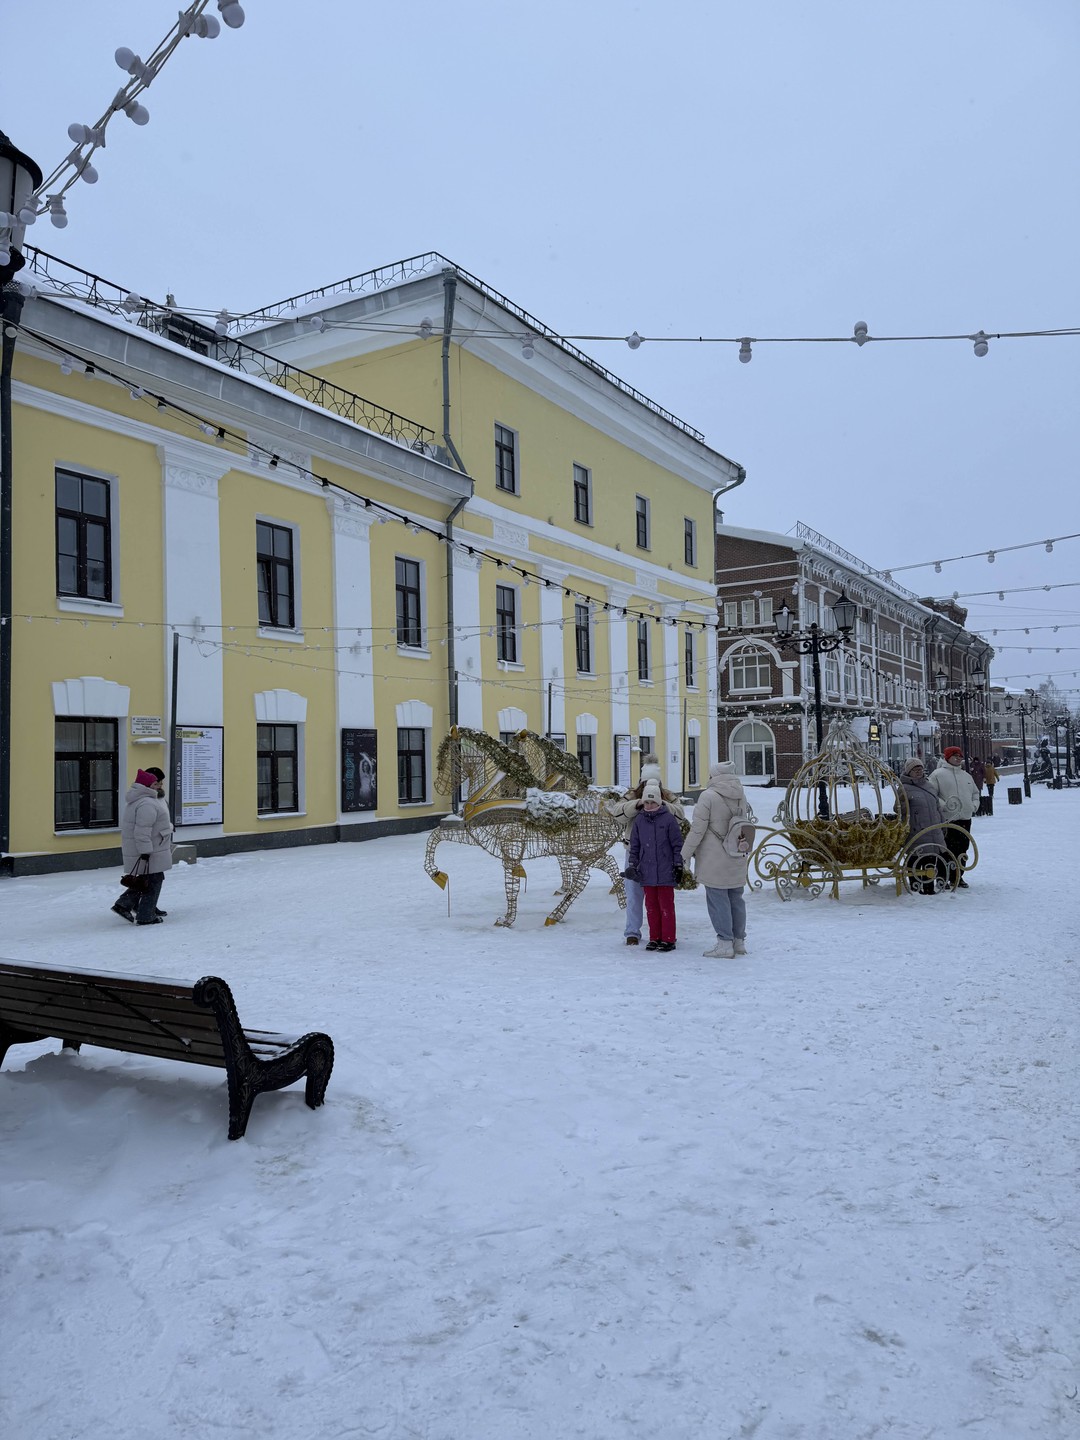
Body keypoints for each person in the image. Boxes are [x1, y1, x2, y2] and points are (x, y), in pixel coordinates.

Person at [607, 756, 684, 947]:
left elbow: (680, 816)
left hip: (661, 855)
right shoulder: (632, 796)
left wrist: (661, 804)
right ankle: (632, 931)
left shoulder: (668, 796)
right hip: (634, 851)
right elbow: (617, 813)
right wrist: (638, 804)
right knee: (633, 894)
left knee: (659, 897)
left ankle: (662, 934)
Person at [680, 761, 754, 958]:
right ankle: (739, 942)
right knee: (736, 898)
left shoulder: (708, 796)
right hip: (737, 852)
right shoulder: (740, 795)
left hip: (714, 856)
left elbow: (697, 830)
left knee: (717, 899)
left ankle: (724, 944)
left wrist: (685, 854)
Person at [625, 780, 683, 952]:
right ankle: (655, 937)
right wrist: (633, 864)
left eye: (653, 802)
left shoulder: (668, 819)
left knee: (666, 906)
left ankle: (668, 939)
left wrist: (678, 865)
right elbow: (634, 846)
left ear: (659, 802)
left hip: (665, 871)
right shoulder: (640, 821)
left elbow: (677, 845)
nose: (650, 805)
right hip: (647, 872)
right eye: (647, 802)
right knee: (651, 907)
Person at [112, 766, 173, 925]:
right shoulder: (146, 803)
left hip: (154, 845)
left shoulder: (148, 799)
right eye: (155, 783)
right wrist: (145, 852)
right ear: (147, 785)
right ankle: (145, 914)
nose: (159, 785)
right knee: (154, 879)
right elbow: (142, 831)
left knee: (149, 878)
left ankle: (131, 906)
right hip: (150, 847)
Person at [926, 746, 981, 888]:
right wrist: (944, 806)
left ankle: (957, 876)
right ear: (947, 757)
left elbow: (975, 793)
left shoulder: (966, 776)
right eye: (955, 755)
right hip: (948, 819)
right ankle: (942, 876)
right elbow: (933, 794)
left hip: (965, 818)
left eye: (960, 756)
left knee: (963, 849)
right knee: (946, 849)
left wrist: (973, 805)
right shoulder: (937, 775)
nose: (958, 758)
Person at [899, 757, 950, 894]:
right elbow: (898, 810)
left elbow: (937, 806)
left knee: (932, 858)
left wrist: (942, 823)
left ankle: (929, 887)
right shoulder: (904, 788)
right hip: (917, 830)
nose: (918, 772)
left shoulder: (929, 785)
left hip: (934, 829)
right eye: (915, 769)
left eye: (920, 769)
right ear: (908, 772)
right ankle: (915, 886)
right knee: (916, 858)